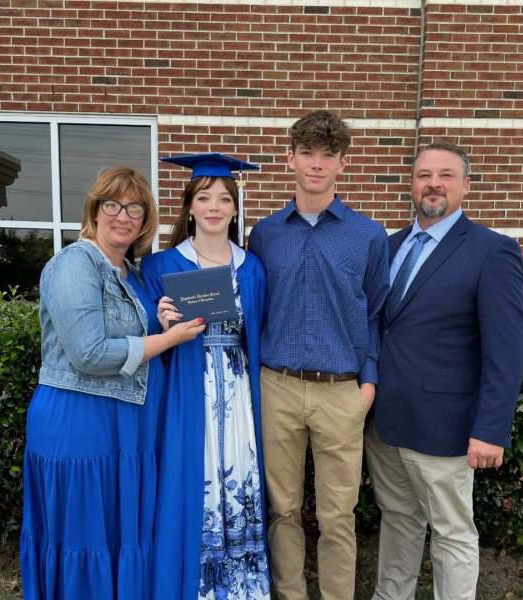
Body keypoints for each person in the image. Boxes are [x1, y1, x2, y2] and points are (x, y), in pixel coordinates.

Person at [20, 167, 205, 600]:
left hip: (128, 428)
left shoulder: (132, 272)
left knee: (119, 533)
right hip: (82, 425)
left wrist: (160, 323)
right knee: (86, 536)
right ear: (95, 209)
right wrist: (167, 338)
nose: (123, 216)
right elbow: (89, 353)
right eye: (113, 205)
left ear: (145, 218)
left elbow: (134, 336)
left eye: (135, 208)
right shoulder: (73, 264)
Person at [365, 142, 523, 600]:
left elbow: (507, 349)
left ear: (465, 187)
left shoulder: (493, 251)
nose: (433, 183)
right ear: (411, 185)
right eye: (423, 175)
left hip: (446, 424)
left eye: (446, 175)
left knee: (452, 531)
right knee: (397, 519)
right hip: (385, 422)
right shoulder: (389, 245)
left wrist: (491, 429)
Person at [247, 111, 390, 600]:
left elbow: (373, 313)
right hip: (277, 385)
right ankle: (289, 594)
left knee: (337, 515)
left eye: (328, 155)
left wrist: (367, 381)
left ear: (343, 164)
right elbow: (255, 308)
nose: (316, 164)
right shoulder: (265, 235)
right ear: (290, 157)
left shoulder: (368, 236)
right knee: (282, 508)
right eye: (307, 152)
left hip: (341, 392)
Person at [141, 153, 271, 600]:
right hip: (185, 390)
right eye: (204, 197)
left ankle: (239, 586)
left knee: (240, 475)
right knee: (189, 478)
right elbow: (142, 341)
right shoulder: (160, 267)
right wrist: (159, 320)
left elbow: (259, 333)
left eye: (223, 199)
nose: (214, 207)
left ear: (235, 210)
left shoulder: (251, 268)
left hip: (238, 391)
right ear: (190, 206)